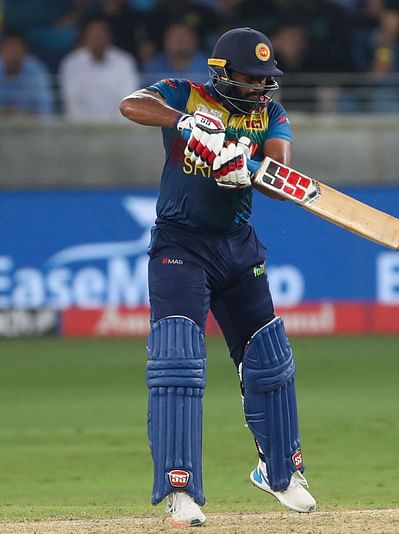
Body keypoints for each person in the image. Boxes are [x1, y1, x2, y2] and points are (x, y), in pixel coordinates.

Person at [118, 27, 316, 527]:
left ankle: (280, 472)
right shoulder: (187, 93)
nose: (258, 88)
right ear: (223, 73)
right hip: (180, 245)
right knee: (179, 361)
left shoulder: (271, 113)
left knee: (269, 360)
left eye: (265, 79)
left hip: (237, 246)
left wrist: (242, 168)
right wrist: (188, 125)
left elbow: (280, 177)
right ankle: (178, 488)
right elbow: (130, 104)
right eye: (250, 79)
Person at [59, 16, 139, 122]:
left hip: (118, 129)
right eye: (92, 35)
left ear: (109, 37)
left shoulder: (124, 62)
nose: (97, 39)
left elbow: (128, 102)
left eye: (100, 35)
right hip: (80, 130)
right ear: (84, 37)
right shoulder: (72, 63)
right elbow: (72, 103)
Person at [0, 31, 55, 116]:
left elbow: (46, 109)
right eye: (9, 48)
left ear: (25, 51)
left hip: (30, 125)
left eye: (17, 48)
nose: (14, 53)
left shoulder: (36, 70)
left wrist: (21, 115)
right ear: (2, 50)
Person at [142, 22, 209, 86]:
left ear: (195, 40)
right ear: (165, 41)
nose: (180, 42)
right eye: (176, 38)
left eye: (185, 37)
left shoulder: (209, 67)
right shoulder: (153, 68)